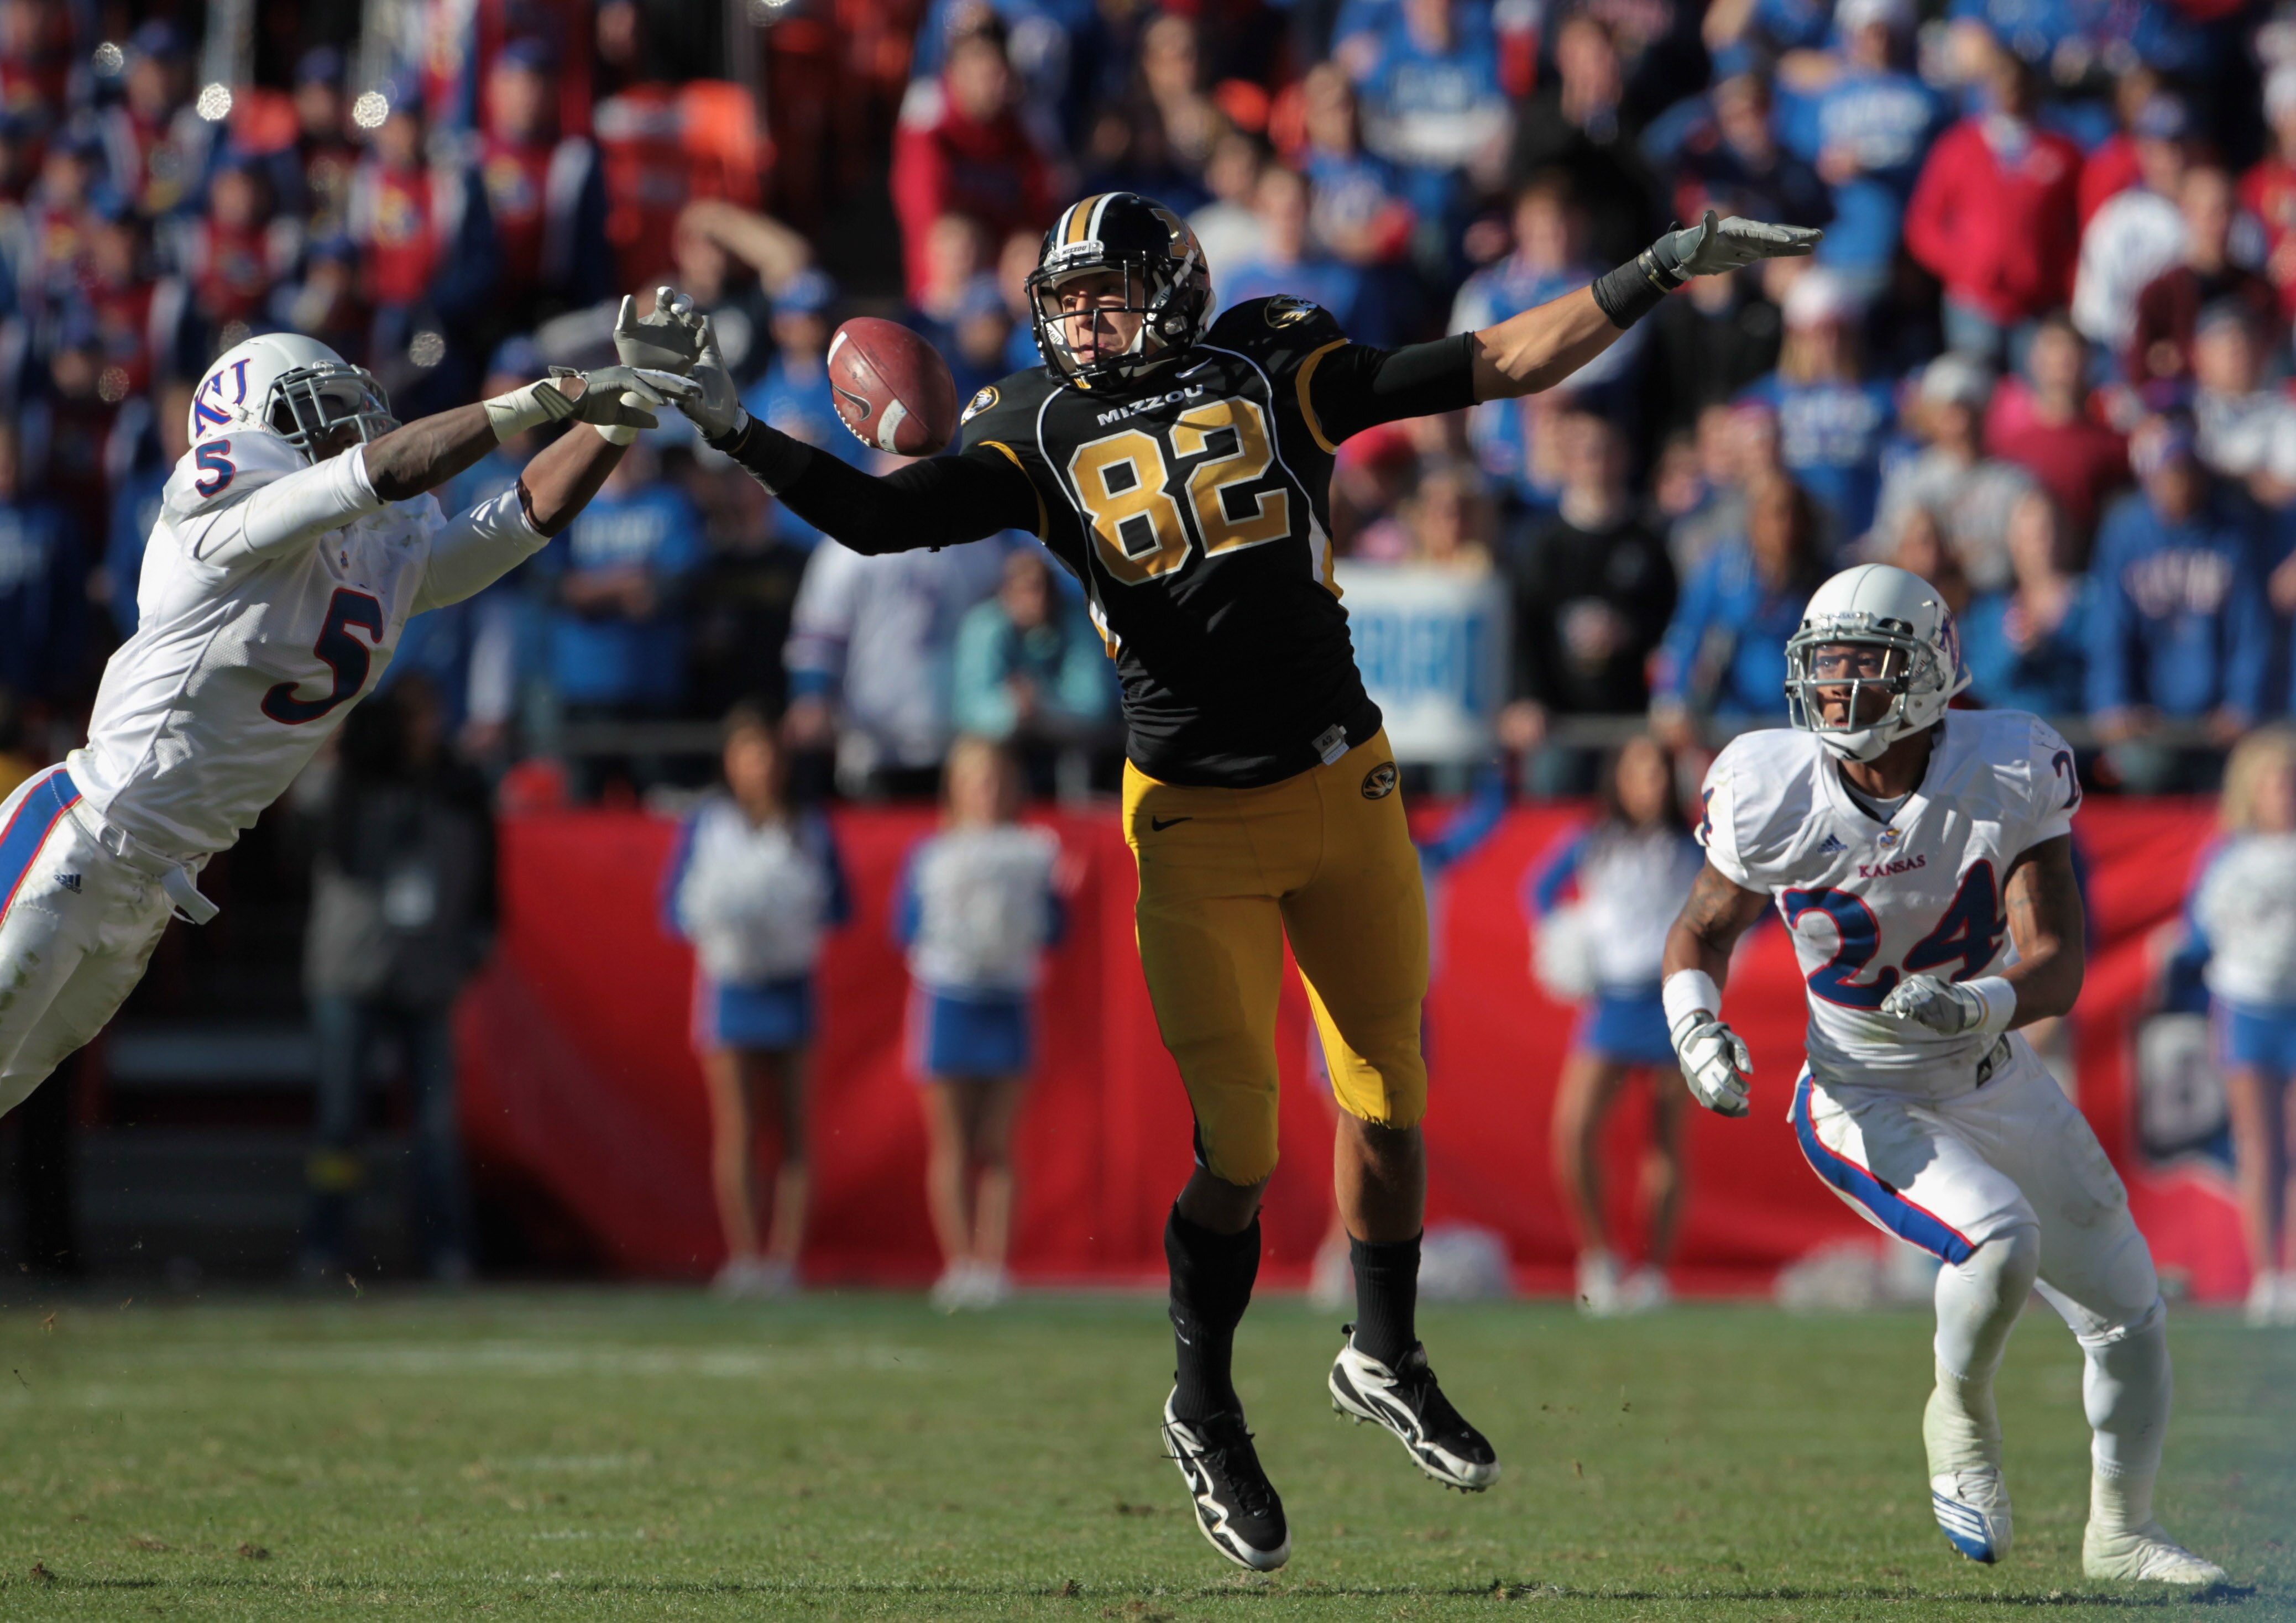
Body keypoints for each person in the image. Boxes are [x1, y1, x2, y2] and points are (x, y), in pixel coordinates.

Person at [660, 184, 1821, 1568]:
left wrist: (1658, 264)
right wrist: (736, 427)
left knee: (1390, 1100)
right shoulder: (1030, 422)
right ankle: (1204, 1400)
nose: (1087, 323)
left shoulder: (1277, 362)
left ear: (1179, 287)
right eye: (1069, 302)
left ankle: (1382, 1352)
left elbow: (1502, 361)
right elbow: (877, 520)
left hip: (1347, 781)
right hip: (1194, 821)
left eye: (1109, 295)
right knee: (1245, 1148)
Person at [1659, 561, 2226, 1587]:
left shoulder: (2007, 763)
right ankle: (1957, 1419)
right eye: (1823, 669)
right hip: (1857, 1094)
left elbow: (2053, 955)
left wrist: (1982, 1000)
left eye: (1864, 668)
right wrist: (1695, 1029)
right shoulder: (1766, 784)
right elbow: (1699, 930)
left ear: (1927, 676)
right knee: (1998, 1237)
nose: (1836, 693)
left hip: (1987, 1067)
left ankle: (2120, 1532)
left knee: (2131, 1314)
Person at [0, 303, 698, 1119]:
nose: (350, 420)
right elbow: (383, 470)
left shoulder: (379, 543)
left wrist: (620, 417)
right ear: (255, 428)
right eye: (318, 405)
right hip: (80, 835)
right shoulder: (215, 503)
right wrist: (542, 399)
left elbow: (519, 519)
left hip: (155, 888)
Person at [299, 675, 495, 1282]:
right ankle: (325, 1245)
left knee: (436, 1127)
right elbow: (300, 821)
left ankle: (445, 1249)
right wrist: (331, 747)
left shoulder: (459, 785)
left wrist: (471, 948)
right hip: (351, 967)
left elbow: (486, 881)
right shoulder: (353, 778)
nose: (420, 730)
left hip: (426, 972)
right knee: (340, 1119)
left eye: (428, 714)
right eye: (407, 717)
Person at [663, 704, 849, 1300]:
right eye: (748, 753)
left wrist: (791, 908)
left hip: (792, 984)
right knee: (738, 1127)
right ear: (729, 761)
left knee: (794, 1128)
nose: (760, 765)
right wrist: (728, 915)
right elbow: (673, 907)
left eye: (768, 752)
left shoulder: (809, 824)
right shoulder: (707, 824)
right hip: (730, 987)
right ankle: (745, 1255)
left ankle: (786, 1258)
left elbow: (841, 904)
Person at [1524, 735, 1701, 1316]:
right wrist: (1566, 938)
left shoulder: (1693, 844)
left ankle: (1652, 1273)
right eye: (1636, 772)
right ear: (1618, 780)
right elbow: (1539, 888)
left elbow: (1742, 910)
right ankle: (1599, 1257)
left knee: (1664, 1144)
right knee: (1572, 1132)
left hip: (1673, 1002)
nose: (1647, 784)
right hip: (1612, 1001)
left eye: (1657, 773)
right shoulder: (1593, 839)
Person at [893, 737, 1063, 1311]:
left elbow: (1057, 926)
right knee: (953, 1143)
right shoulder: (931, 852)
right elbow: (906, 925)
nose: (986, 792)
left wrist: (1021, 919)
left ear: (1013, 787)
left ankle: (994, 1266)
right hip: (948, 999)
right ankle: (958, 1262)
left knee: (999, 1142)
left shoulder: (1036, 850)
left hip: (1008, 1000)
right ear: (955, 788)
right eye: (974, 780)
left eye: (996, 780)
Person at [2086, 415, 2272, 793]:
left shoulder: (2231, 534)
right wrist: (2114, 700)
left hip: (2215, 722)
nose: (2179, 484)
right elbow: (2110, 628)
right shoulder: (2124, 533)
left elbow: (2250, 629)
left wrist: (2243, 702)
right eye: (2169, 474)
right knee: (2140, 771)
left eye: (2186, 472)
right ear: (2149, 478)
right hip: (2148, 718)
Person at [2189, 727, 2296, 1327]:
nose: (2285, 793)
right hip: (2247, 1007)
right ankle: (2267, 1276)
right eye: (2275, 782)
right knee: (2260, 1149)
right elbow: (2200, 927)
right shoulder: (2227, 853)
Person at [951, 547, 1118, 795]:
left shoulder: (1080, 623)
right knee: (975, 754)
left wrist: (1039, 704)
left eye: (1043, 587)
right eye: (1026, 589)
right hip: (1004, 746)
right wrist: (1012, 708)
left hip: (1070, 747)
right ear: (1006, 591)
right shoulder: (982, 627)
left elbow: (1095, 705)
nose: (1037, 598)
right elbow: (969, 709)